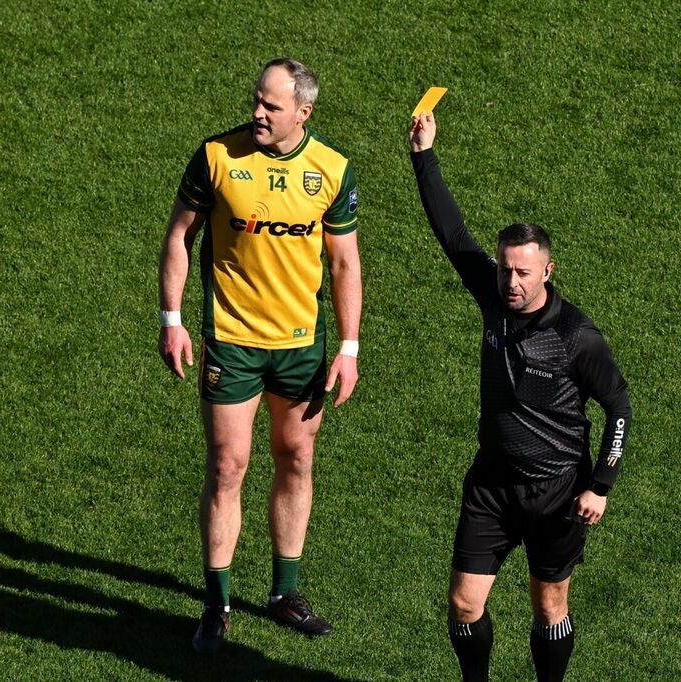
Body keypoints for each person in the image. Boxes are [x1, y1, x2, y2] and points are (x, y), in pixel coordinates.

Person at [409, 112, 632, 682]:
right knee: (463, 602)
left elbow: (620, 410)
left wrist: (600, 485)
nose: (511, 283)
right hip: (491, 483)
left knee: (549, 605)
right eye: (506, 270)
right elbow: (454, 236)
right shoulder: (493, 295)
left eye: (523, 273)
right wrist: (423, 156)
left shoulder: (577, 337)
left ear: (547, 270)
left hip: (557, 490)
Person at [157, 58, 362, 655]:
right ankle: (216, 604)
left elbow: (345, 263)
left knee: (296, 458)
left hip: (301, 347)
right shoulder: (218, 157)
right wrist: (172, 320)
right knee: (227, 466)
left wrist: (347, 348)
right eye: (256, 100)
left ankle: (284, 593)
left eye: (272, 106)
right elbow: (179, 236)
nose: (258, 113)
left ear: (304, 113)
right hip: (233, 341)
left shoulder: (331, 170)